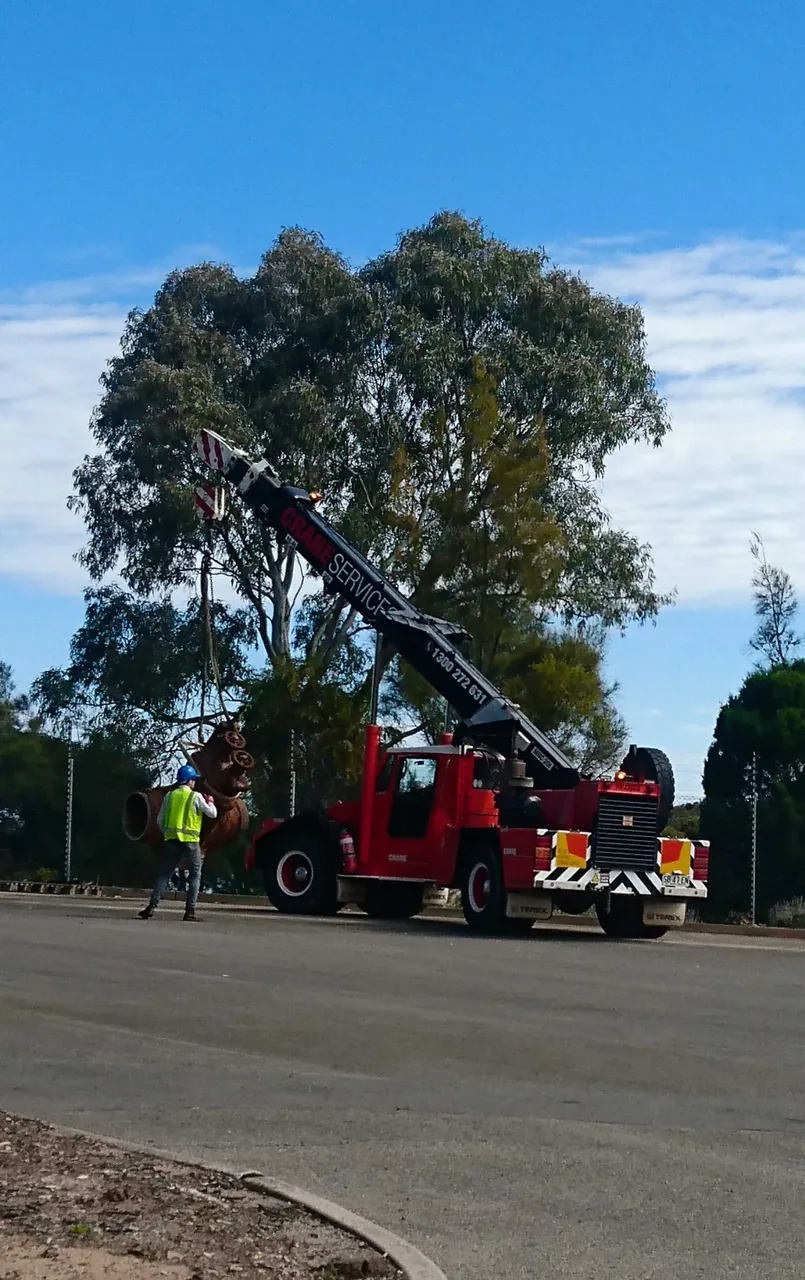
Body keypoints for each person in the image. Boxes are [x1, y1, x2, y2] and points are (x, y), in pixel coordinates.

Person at [138, 765, 217, 922]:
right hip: (191, 842)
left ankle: (151, 907)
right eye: (194, 779)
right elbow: (212, 814)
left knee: (164, 874)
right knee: (195, 875)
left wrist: (168, 833)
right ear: (189, 781)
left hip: (172, 841)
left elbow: (160, 820)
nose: (195, 782)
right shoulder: (196, 797)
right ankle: (190, 911)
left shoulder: (169, 797)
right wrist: (211, 801)